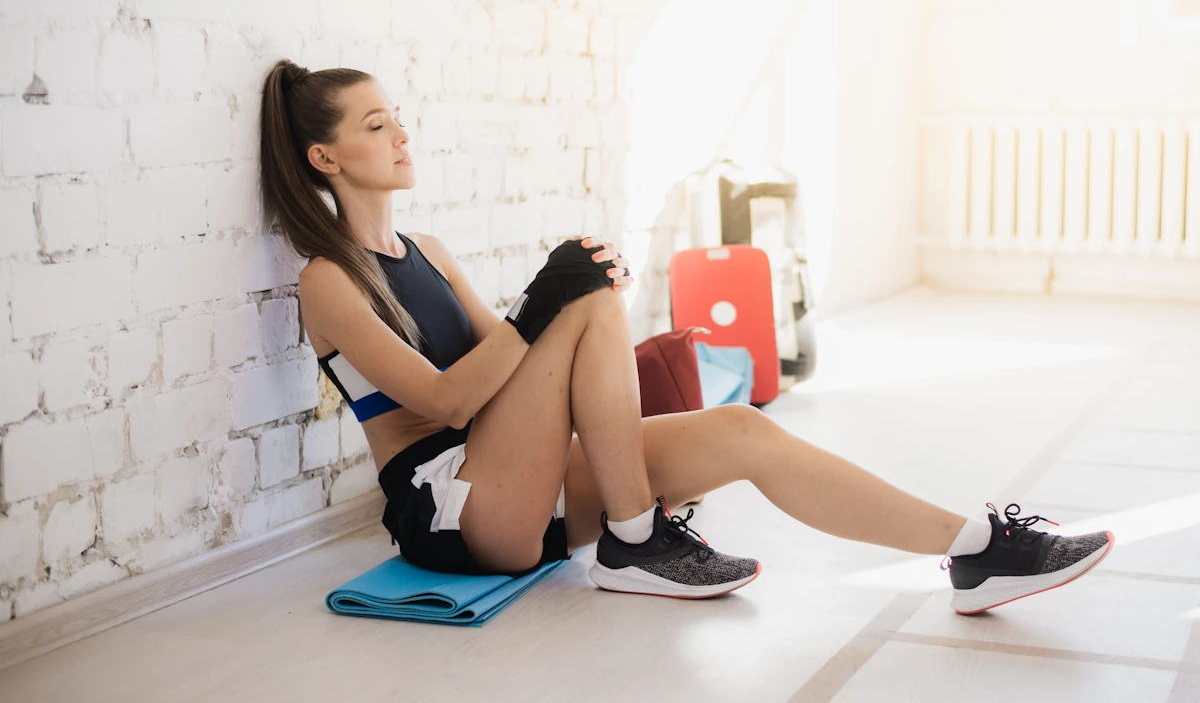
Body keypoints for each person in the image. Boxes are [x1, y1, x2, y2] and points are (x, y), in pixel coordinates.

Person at [258, 59, 1114, 614]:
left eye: (396, 116)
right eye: (375, 127)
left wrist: (569, 303)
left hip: (518, 474)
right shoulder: (328, 280)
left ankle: (974, 550)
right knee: (578, 296)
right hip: (452, 504)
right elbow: (446, 397)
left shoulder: (429, 252)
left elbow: (513, 364)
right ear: (325, 160)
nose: (401, 134)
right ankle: (636, 541)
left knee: (742, 430)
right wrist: (557, 303)